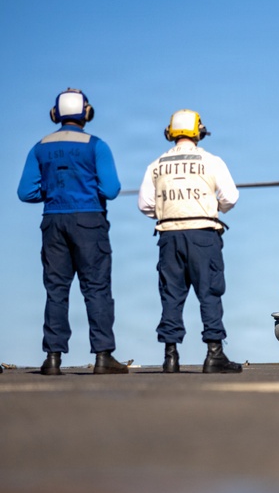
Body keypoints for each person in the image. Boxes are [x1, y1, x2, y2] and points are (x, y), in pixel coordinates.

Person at [17, 88, 129, 375]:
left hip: (53, 222)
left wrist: (53, 190)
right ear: (87, 114)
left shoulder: (39, 146)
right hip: (89, 221)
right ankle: (103, 356)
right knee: (97, 288)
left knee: (56, 290)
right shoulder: (97, 145)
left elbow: (25, 192)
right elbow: (111, 189)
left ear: (55, 114)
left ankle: (52, 358)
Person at [138, 109, 241, 374]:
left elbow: (145, 204)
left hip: (168, 235)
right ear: (199, 132)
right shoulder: (211, 161)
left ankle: (170, 356)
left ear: (170, 133)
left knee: (171, 294)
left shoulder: (157, 164)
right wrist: (210, 207)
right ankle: (214, 354)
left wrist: (166, 212)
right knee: (209, 292)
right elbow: (230, 196)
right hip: (203, 235)